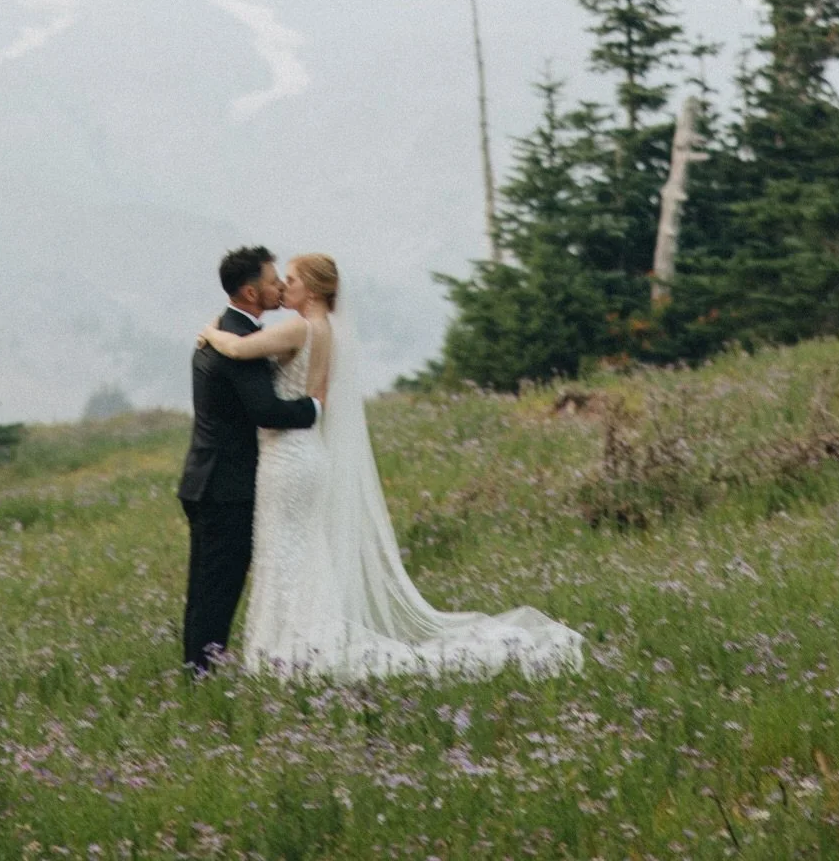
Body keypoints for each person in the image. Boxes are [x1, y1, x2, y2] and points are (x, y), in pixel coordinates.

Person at [197, 252, 584, 678]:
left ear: (313, 287)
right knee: (302, 550)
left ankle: (294, 648)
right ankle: (299, 642)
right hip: (306, 454)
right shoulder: (327, 330)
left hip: (288, 457)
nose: (285, 287)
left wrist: (210, 332)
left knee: (286, 550)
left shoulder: (298, 327)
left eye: (291, 280)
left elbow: (236, 347)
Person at [176, 246, 318, 673]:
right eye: (274, 281)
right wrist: (316, 408)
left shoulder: (224, 329)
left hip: (206, 478)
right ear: (251, 291)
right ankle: (201, 674)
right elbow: (267, 411)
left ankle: (196, 669)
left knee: (205, 586)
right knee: (218, 587)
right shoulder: (237, 339)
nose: (280, 287)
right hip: (226, 487)